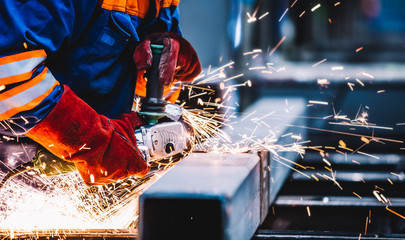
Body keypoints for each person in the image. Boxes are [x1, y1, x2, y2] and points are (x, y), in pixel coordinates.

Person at [0, 0, 201, 186]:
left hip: (62, 177)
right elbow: (7, 73)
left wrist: (156, 76)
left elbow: (112, 80)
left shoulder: (162, 2)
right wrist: (92, 141)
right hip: (12, 165)